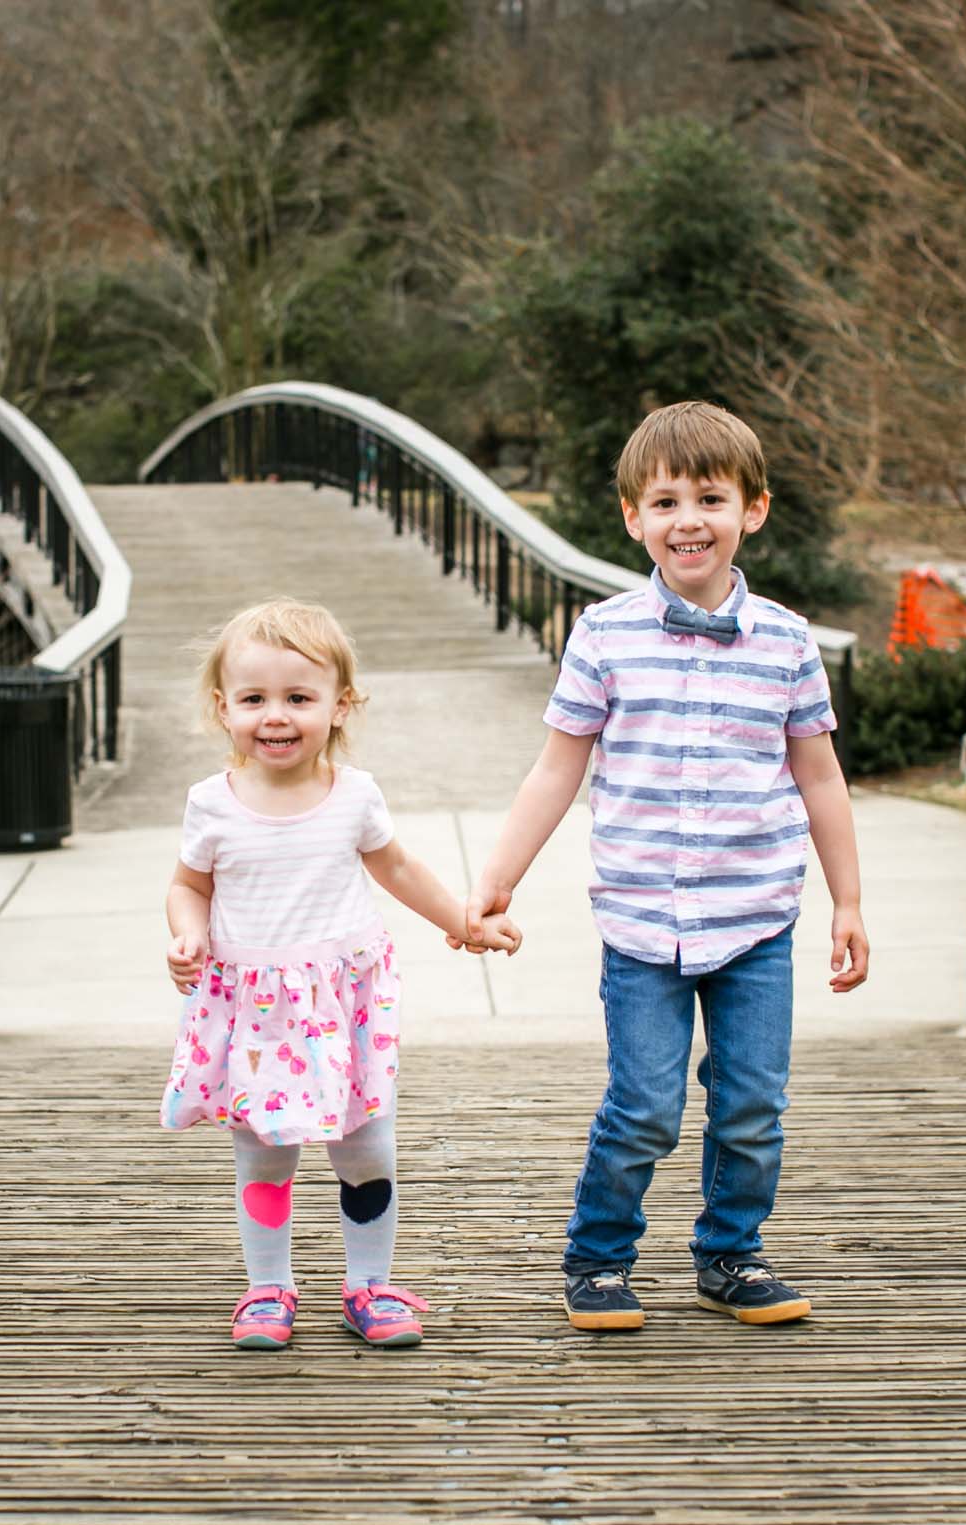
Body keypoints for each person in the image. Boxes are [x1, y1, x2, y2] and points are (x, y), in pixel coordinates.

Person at [465, 401, 869, 1332]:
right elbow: (558, 766)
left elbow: (820, 775)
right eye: (666, 500)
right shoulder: (604, 636)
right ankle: (599, 1258)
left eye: (712, 498)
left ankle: (730, 1255)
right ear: (632, 518)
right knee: (644, 1099)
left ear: (753, 510)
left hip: (758, 917)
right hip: (643, 919)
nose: (689, 519)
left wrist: (848, 901)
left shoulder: (788, 642)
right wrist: (499, 876)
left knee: (752, 1103)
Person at [163, 598, 518, 1351]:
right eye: (255, 699)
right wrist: (187, 933)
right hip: (257, 1009)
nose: (277, 716)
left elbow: (396, 866)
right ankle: (267, 1289)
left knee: (365, 1148)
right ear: (223, 708)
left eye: (299, 697)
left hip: (341, 1004)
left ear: (340, 704)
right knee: (266, 1151)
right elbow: (189, 884)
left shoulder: (354, 794)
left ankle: (369, 1285)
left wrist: (463, 920)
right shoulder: (212, 805)